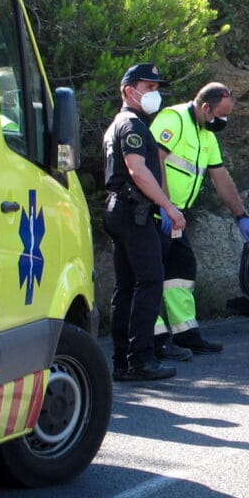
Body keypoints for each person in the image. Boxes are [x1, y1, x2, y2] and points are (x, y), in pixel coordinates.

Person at [150, 82, 249, 356]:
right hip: (157, 213)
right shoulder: (174, 119)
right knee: (150, 275)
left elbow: (221, 178)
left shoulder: (206, 135)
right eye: (219, 115)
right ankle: (153, 340)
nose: (222, 121)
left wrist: (242, 217)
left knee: (180, 273)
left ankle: (186, 333)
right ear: (205, 107)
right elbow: (154, 160)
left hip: (176, 216)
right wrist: (165, 206)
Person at [102, 64, 185, 382]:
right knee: (149, 282)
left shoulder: (117, 124)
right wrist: (168, 207)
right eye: (148, 88)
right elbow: (138, 171)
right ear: (128, 90)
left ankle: (122, 362)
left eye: (155, 88)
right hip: (133, 213)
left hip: (119, 210)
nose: (154, 94)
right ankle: (141, 360)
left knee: (125, 288)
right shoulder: (133, 125)